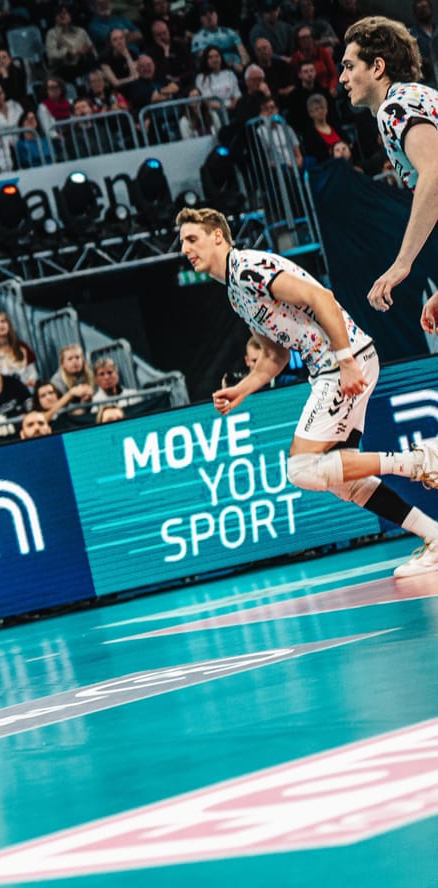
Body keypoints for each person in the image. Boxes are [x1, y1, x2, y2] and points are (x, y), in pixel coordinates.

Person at [179, 206, 438, 577]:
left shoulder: (249, 268)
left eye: (192, 239)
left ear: (217, 235)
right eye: (183, 242)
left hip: (342, 361)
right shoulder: (236, 293)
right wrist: (243, 389)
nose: (186, 249)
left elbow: (323, 299)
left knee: (301, 468)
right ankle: (434, 537)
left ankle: (421, 460)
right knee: (341, 481)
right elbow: (275, 354)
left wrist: (346, 360)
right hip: (330, 368)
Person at [340, 19, 438, 326]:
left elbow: (435, 172)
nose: (342, 78)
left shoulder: (394, 107)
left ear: (377, 67)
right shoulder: (416, 95)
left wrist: (402, 263)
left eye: (349, 66)